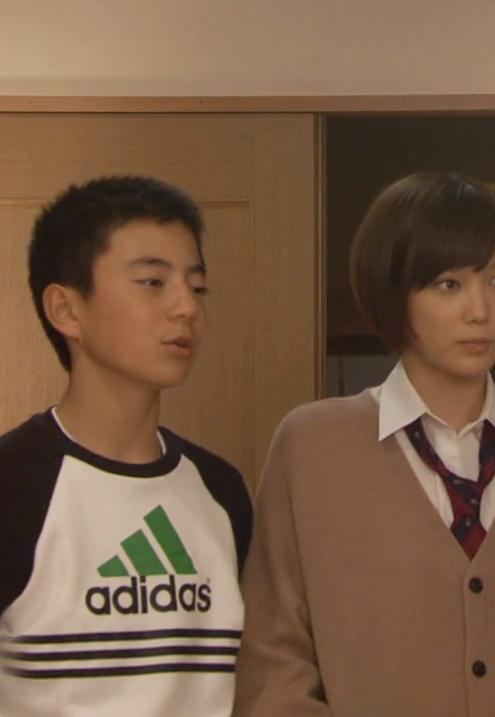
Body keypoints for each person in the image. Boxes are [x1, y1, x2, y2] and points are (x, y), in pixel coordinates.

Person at [234, 171, 495, 716]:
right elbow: (274, 663)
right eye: (449, 285)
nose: (481, 310)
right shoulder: (312, 448)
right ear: (392, 294)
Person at [0, 175, 252, 716]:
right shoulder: (13, 484)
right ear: (66, 310)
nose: (186, 308)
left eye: (197, 287)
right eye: (153, 282)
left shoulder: (221, 491)